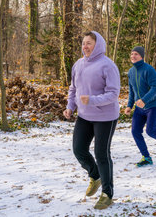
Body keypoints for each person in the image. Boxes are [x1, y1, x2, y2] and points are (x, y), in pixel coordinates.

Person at [63, 31, 120, 210]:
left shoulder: (108, 66)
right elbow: (73, 89)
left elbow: (113, 93)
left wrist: (93, 100)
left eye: (89, 43)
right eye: (83, 43)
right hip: (84, 115)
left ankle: (107, 193)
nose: (85, 46)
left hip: (105, 117)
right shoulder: (78, 65)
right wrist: (70, 106)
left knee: (102, 154)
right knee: (79, 149)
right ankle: (95, 175)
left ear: (98, 45)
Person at [124, 46, 156, 167]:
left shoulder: (149, 70)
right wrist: (129, 105)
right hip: (139, 108)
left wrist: (144, 100)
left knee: (150, 130)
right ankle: (146, 157)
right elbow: (132, 90)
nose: (133, 56)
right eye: (132, 54)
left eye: (136, 54)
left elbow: (155, 88)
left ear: (142, 56)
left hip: (152, 106)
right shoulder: (131, 72)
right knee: (135, 131)